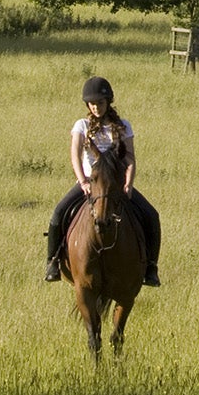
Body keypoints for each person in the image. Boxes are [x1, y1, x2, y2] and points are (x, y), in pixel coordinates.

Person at [45, 75, 161, 286]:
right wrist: (83, 182)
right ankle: (52, 262)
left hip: (116, 185)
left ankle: (151, 267)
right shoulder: (81, 126)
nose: (97, 107)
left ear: (108, 102)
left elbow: (130, 158)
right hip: (90, 182)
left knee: (151, 215)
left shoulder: (123, 125)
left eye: (100, 103)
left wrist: (129, 183)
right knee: (58, 212)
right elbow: (75, 156)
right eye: (93, 104)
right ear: (87, 105)